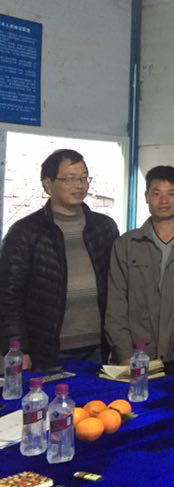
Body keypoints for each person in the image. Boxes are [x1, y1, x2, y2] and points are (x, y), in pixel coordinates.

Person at [0, 149, 118, 370]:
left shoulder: (104, 228)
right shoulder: (25, 232)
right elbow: (8, 296)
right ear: (48, 184)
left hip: (98, 347)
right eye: (70, 179)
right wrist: (18, 348)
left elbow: (118, 287)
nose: (79, 185)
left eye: (84, 178)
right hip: (46, 349)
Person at [105, 166, 174, 377]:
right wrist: (124, 352)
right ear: (146, 196)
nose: (163, 201)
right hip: (138, 352)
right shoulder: (126, 244)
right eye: (156, 193)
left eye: (171, 193)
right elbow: (116, 302)